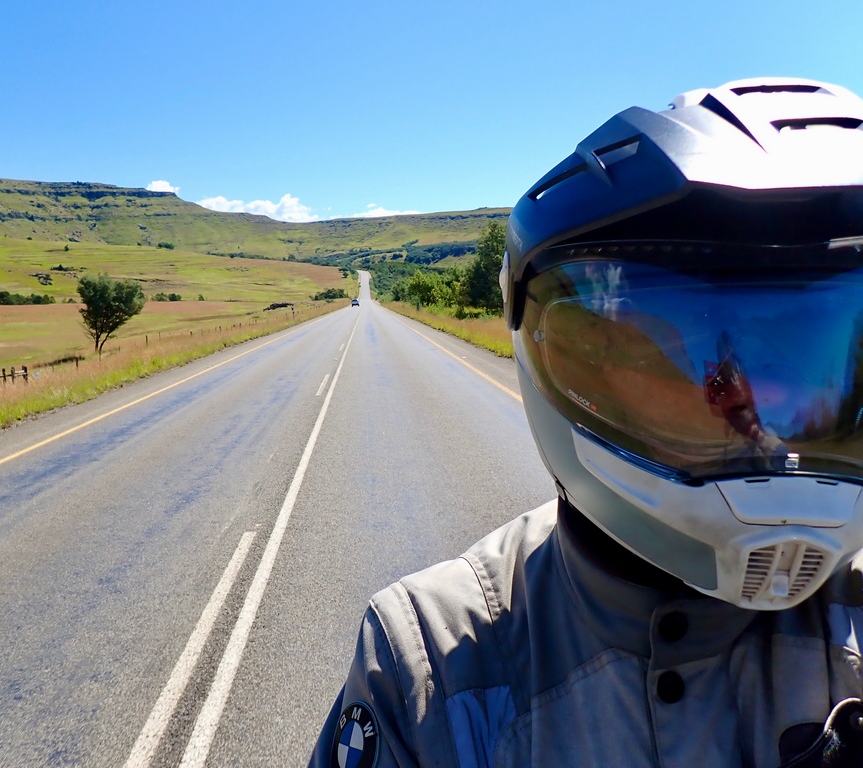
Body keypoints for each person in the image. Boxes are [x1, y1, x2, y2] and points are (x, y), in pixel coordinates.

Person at [310, 78, 863, 767]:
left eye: (813, 365)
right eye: (685, 361)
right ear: (572, 362)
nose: (742, 407)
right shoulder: (426, 661)